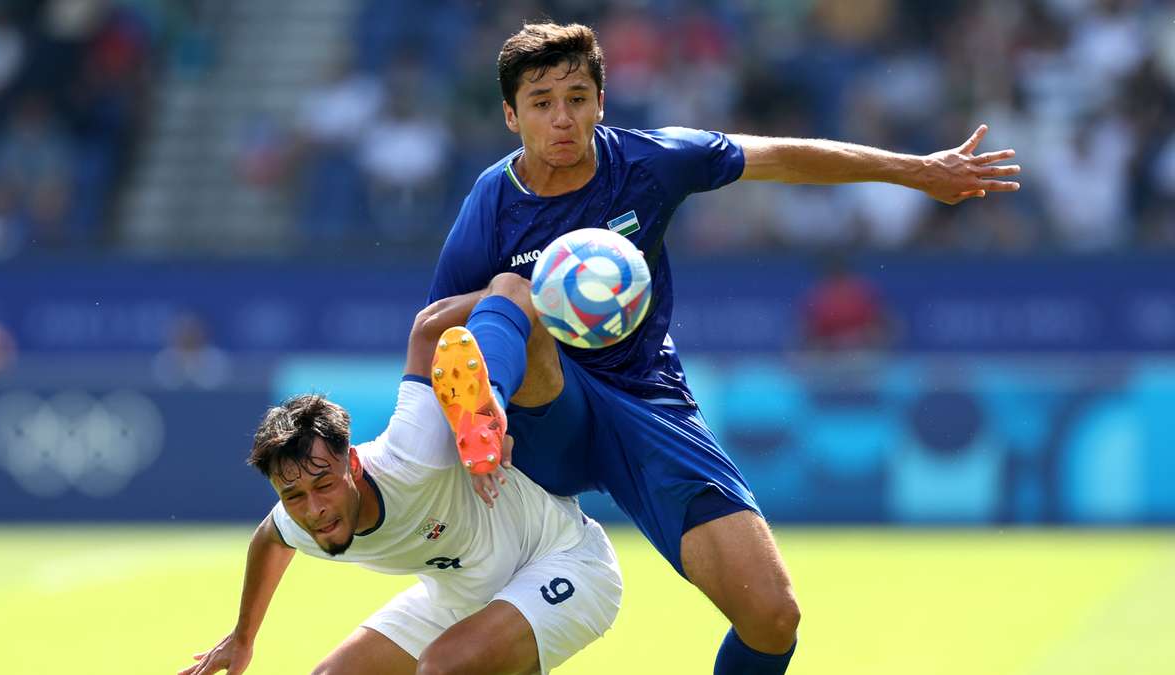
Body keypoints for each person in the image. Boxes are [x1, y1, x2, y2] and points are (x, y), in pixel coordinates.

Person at [427, 22, 1022, 675]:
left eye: (577, 97)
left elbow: (783, 156)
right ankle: (483, 416)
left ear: (602, 101)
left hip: (648, 403)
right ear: (511, 115)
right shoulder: (491, 201)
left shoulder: (650, 163)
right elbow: (436, 324)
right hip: (546, 410)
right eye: (541, 102)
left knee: (773, 616)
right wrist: (531, 303)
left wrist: (919, 171)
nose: (562, 117)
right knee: (510, 290)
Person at [179, 284, 622, 675]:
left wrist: (516, 294)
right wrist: (243, 636)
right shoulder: (303, 517)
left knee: (445, 667)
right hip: (462, 597)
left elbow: (428, 329)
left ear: (352, 464)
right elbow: (271, 539)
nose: (314, 509)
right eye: (293, 496)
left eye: (324, 485)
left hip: (565, 562)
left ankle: (490, 410)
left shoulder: (414, 453)